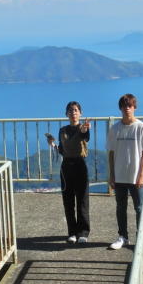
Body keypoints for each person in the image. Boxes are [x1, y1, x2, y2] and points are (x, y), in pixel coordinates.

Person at [107, 93, 143, 250]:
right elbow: (111, 153)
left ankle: (141, 238)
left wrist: (142, 175)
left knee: (139, 208)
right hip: (119, 175)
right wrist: (112, 175)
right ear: (120, 108)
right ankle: (123, 237)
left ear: (135, 107)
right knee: (121, 207)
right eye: (124, 106)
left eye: (130, 106)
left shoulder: (142, 128)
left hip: (136, 176)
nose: (127, 108)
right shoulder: (115, 129)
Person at [45, 101, 91, 243]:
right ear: (66, 114)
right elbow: (62, 151)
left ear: (80, 113)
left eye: (76, 110)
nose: (73, 113)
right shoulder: (62, 130)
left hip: (80, 165)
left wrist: (84, 130)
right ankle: (72, 232)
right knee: (68, 200)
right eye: (70, 110)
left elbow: (85, 136)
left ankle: (83, 232)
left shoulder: (83, 128)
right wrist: (53, 145)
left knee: (82, 199)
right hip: (66, 167)